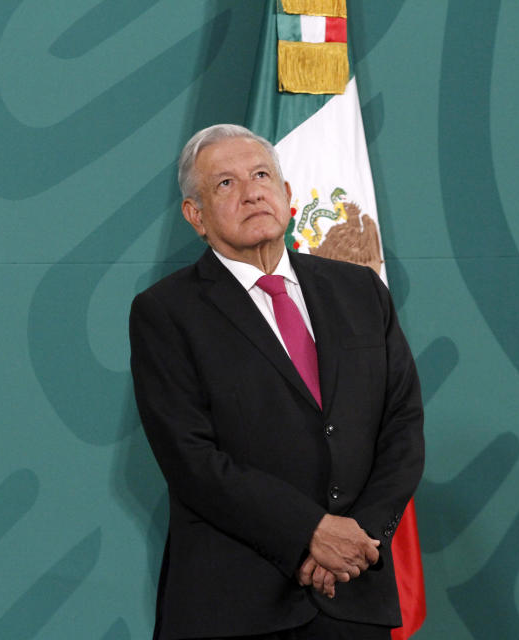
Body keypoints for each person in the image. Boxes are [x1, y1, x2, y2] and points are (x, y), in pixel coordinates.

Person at [129, 124, 424, 640]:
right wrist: (310, 534)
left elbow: (401, 426)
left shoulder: (360, 291)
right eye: (225, 184)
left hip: (352, 599)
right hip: (236, 608)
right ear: (194, 216)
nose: (251, 192)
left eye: (262, 174)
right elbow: (192, 460)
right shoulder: (166, 313)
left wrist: (358, 541)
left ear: (287, 194)